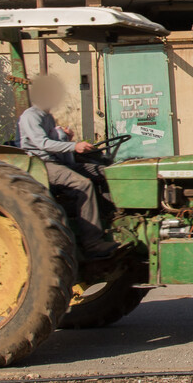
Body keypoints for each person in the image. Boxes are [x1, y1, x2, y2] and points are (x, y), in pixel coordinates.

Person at [18, 75, 117, 259]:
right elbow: (43, 144)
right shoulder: (30, 116)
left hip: (57, 161)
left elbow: (54, 141)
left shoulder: (47, 116)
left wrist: (66, 138)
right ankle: (92, 242)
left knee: (107, 173)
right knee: (84, 184)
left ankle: (113, 220)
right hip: (42, 164)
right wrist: (74, 146)